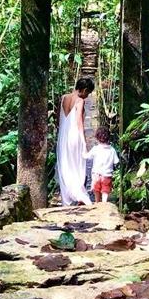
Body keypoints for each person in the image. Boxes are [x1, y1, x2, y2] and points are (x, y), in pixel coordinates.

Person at [56, 77, 94, 206]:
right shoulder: (79, 101)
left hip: (63, 136)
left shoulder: (63, 98)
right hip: (74, 136)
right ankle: (79, 195)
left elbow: (58, 118)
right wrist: (83, 141)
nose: (87, 96)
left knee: (65, 165)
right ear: (84, 90)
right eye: (87, 93)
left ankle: (66, 199)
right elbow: (79, 121)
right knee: (77, 165)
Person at [83, 126, 119, 202]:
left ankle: (97, 203)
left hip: (96, 175)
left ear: (97, 138)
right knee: (105, 192)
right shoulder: (112, 150)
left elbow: (86, 157)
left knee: (96, 191)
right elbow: (116, 162)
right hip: (107, 175)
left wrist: (83, 151)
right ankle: (104, 204)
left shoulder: (96, 149)